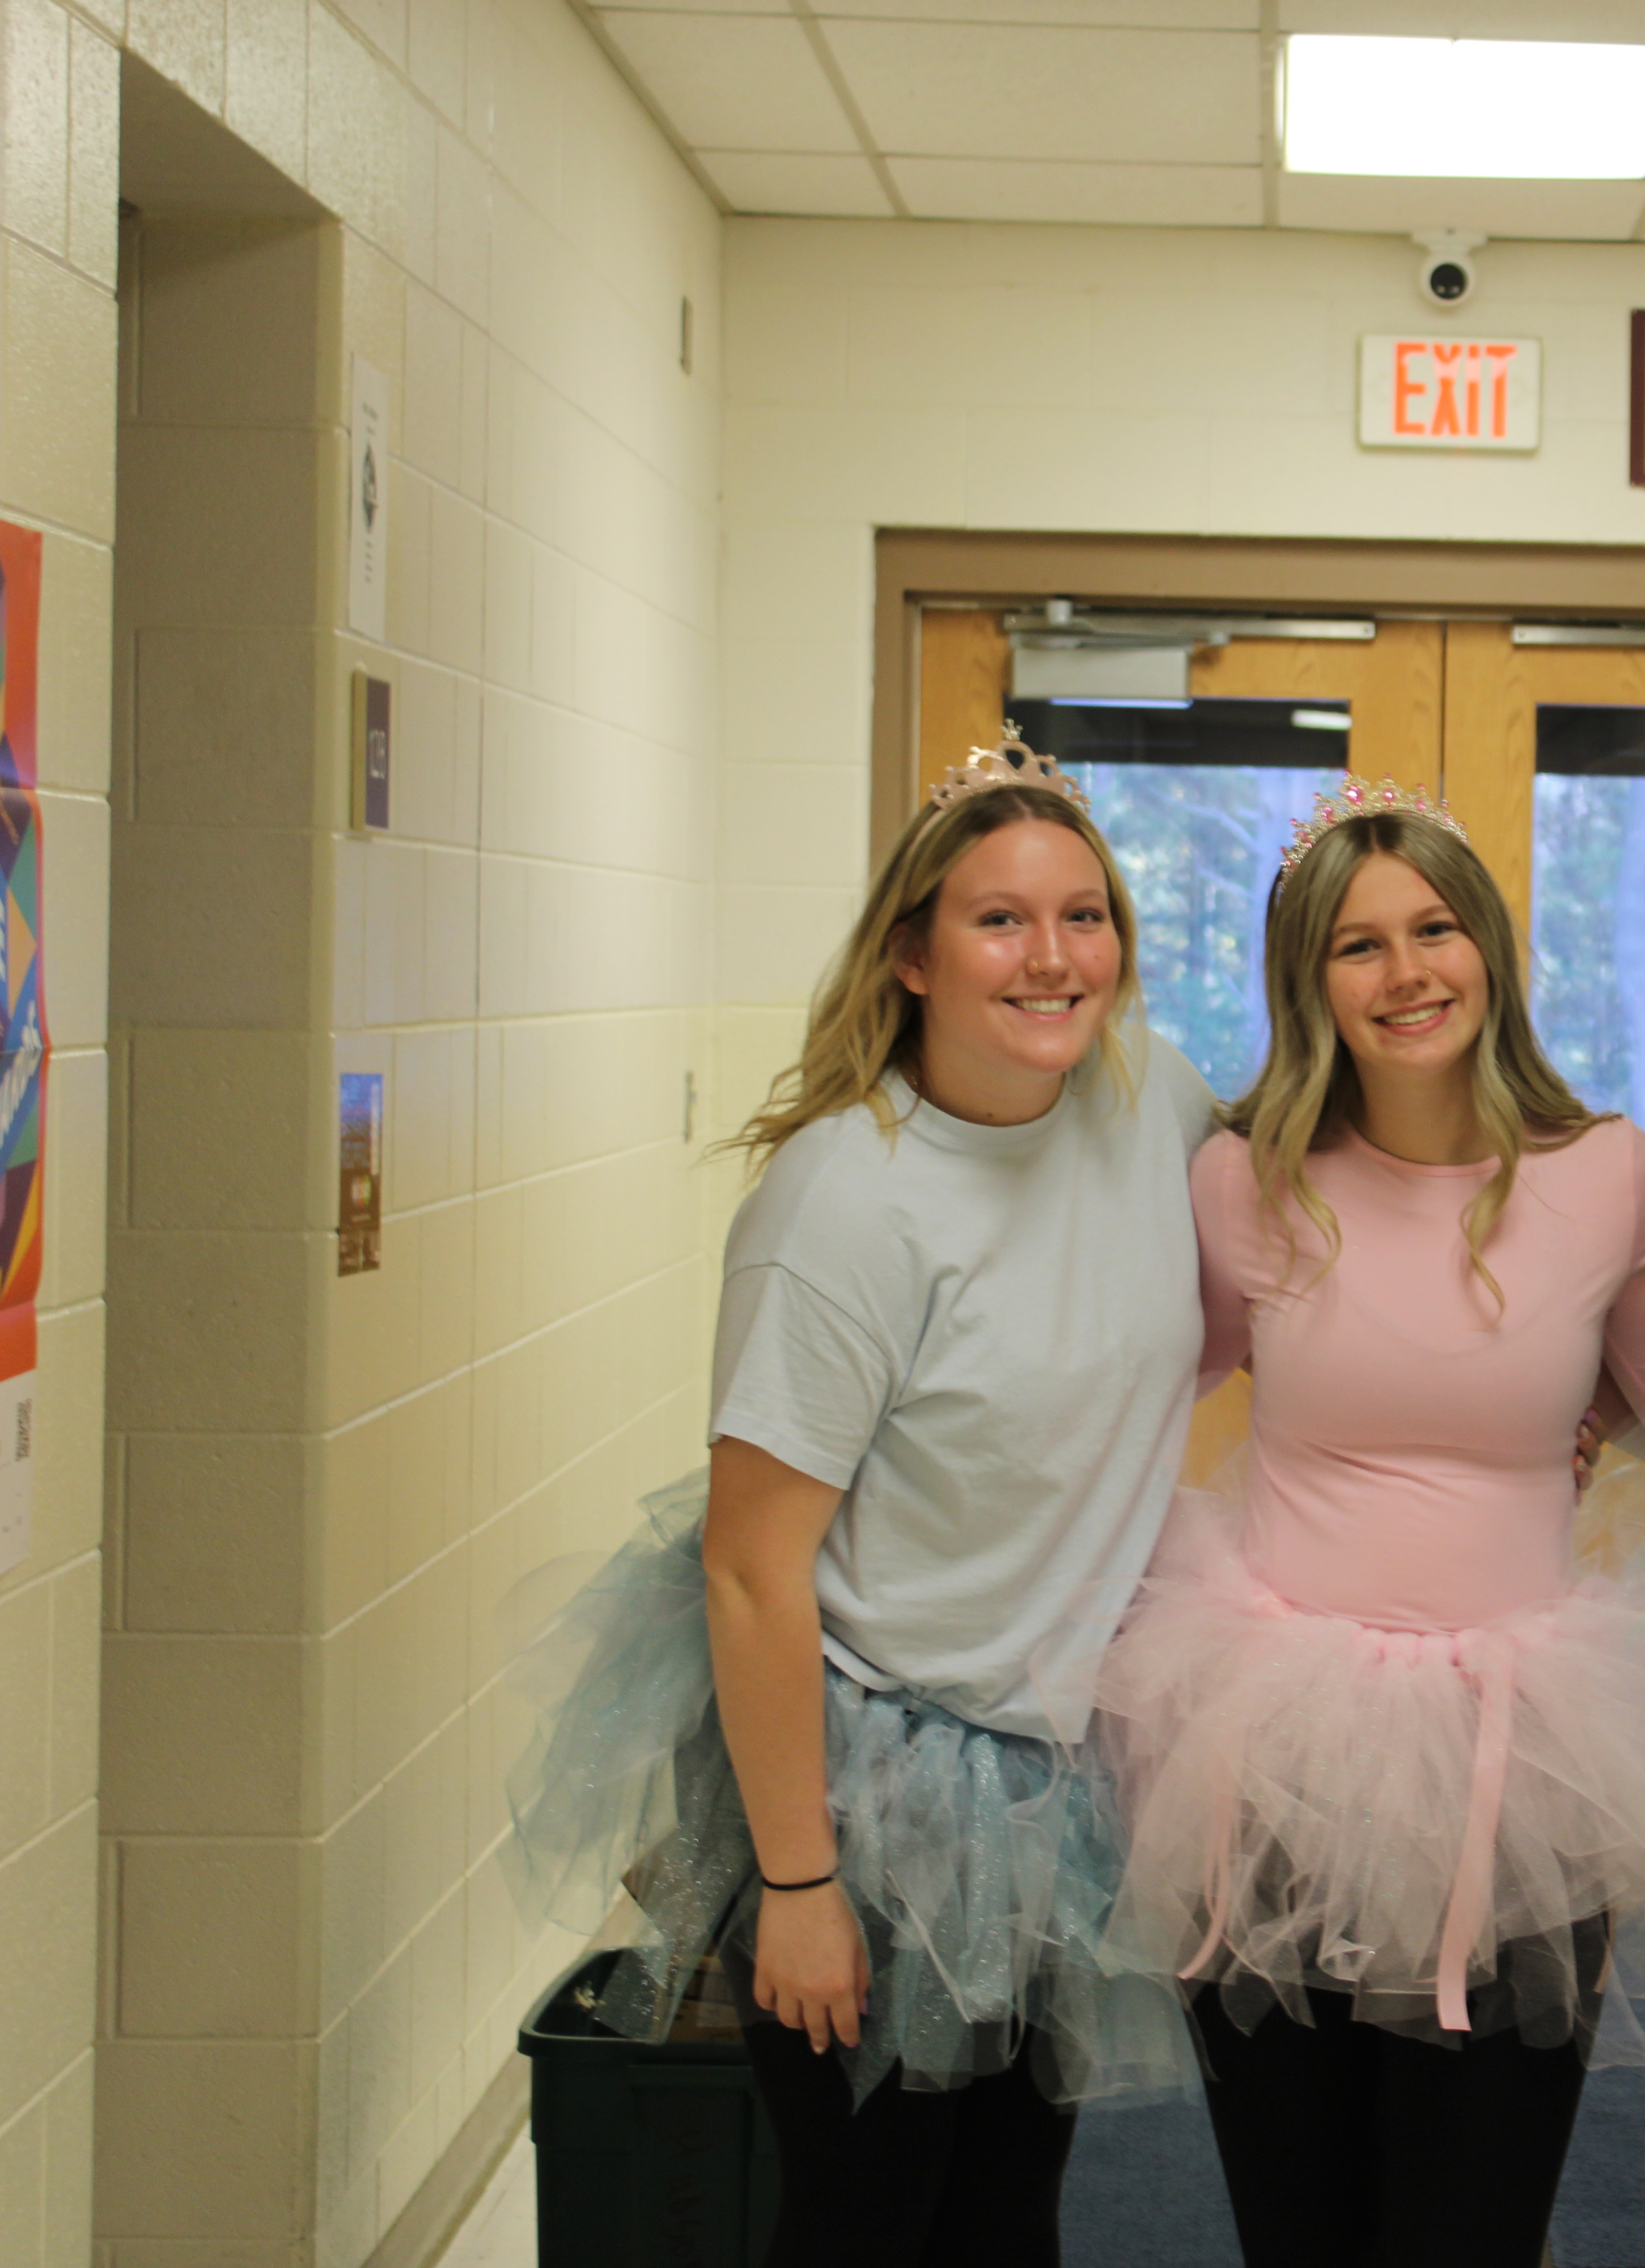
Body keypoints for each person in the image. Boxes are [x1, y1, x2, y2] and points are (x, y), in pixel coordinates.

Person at [506, 738, 1209, 2268]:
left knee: (1009, 2214)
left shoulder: (1151, 1106)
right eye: (1001, 920)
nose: (1053, 958)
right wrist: (799, 1882)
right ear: (912, 954)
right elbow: (753, 1572)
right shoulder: (843, 1202)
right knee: (868, 2220)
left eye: (1086, 917)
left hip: (1050, 1771)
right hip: (867, 1781)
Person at [1093, 778, 1645, 2268]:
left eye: (1434, 929)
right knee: (1297, 2219)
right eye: (1357, 945)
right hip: (1276, 1742)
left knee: (1476, 2221)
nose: (1405, 974)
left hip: (1523, 1750)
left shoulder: (1608, 1176)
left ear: (1491, 949)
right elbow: (1126, 1396)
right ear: (1309, 980)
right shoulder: (1241, 1183)